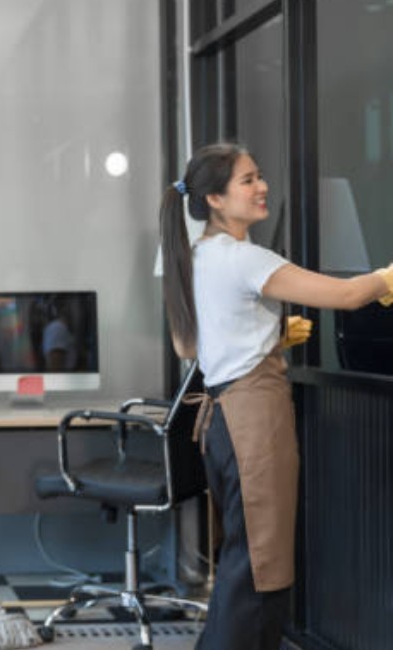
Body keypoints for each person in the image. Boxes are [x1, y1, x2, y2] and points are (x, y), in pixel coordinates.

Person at [159, 142, 393, 650]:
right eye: (247, 180)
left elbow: (188, 345)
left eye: (259, 176)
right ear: (216, 199)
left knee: (246, 562)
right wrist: (387, 277)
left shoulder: (196, 255)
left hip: (224, 422)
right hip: (254, 418)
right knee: (260, 571)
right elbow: (347, 295)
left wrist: (267, 336)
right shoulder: (245, 258)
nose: (261, 187)